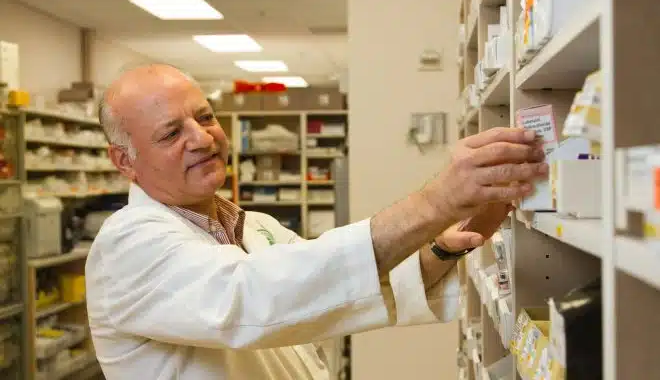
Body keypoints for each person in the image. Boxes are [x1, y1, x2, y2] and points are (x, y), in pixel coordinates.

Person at [85, 64, 547, 380]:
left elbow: (330, 294)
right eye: (171, 133)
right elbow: (252, 299)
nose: (201, 138)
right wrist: (435, 203)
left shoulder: (254, 226)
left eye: (205, 117)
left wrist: (444, 246)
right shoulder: (127, 246)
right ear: (125, 161)